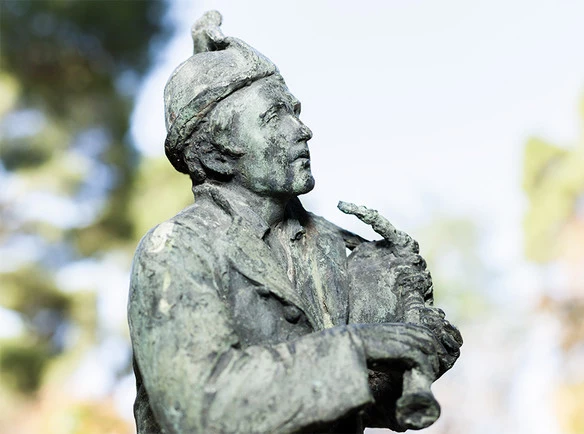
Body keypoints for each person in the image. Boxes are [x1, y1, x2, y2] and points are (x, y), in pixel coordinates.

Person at [128, 11, 461, 434]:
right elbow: (200, 406)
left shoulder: (328, 246)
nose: (302, 130)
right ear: (216, 154)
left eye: (295, 112)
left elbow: (366, 402)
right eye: (274, 117)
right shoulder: (176, 249)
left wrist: (407, 324)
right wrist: (359, 346)